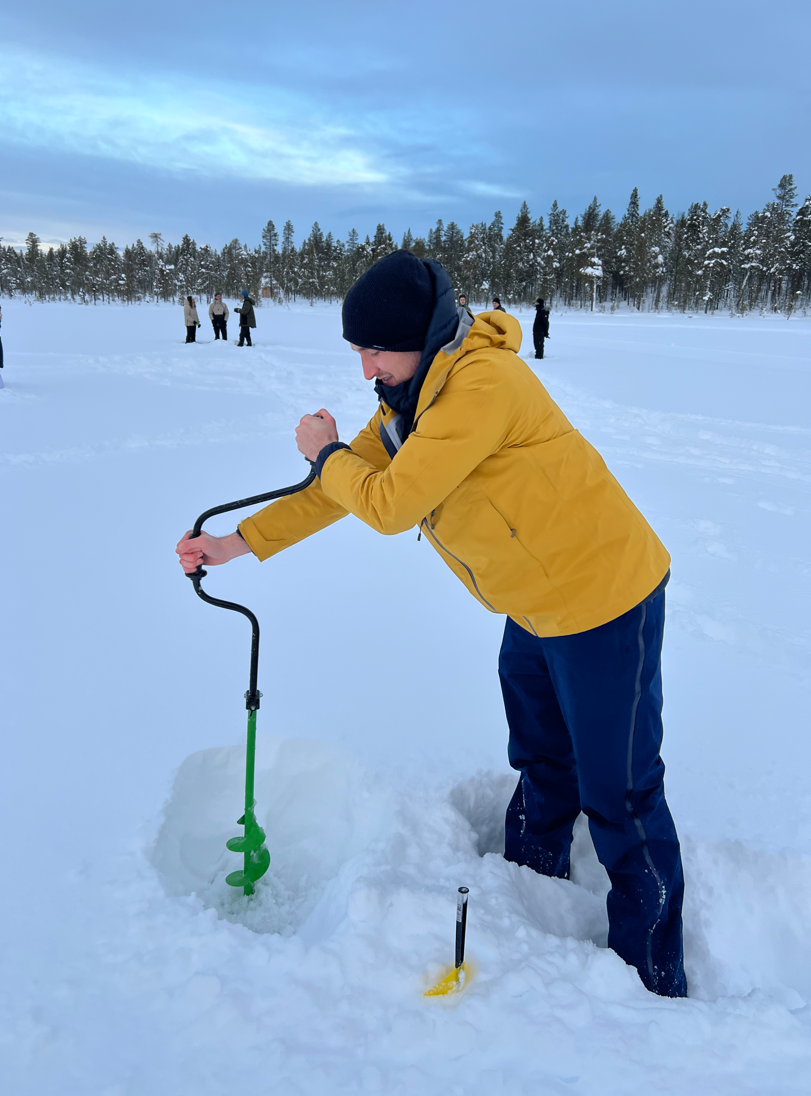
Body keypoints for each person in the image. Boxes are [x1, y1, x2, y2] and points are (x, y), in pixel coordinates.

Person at [176, 249, 687, 999]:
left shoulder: (482, 385)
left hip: (605, 598)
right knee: (543, 755)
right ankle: (526, 886)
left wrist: (325, 456)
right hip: (535, 601)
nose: (365, 370)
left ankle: (650, 975)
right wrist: (238, 543)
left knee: (621, 790)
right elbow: (341, 491)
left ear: (420, 332)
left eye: (374, 350)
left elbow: (386, 504)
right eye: (357, 352)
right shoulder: (410, 396)